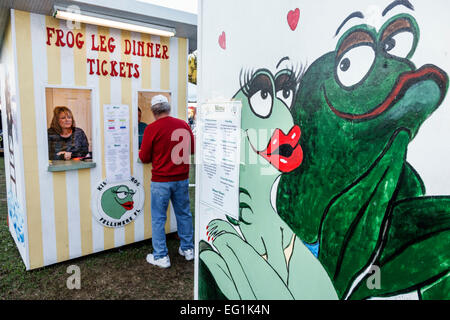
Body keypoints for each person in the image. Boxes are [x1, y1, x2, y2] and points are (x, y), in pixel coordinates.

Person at [139, 95, 195, 268]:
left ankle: (161, 256)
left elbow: (144, 157)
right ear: (168, 108)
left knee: (158, 218)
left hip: (161, 181)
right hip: (181, 178)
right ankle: (188, 249)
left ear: (153, 111)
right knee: (184, 213)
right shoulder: (184, 124)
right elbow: (191, 149)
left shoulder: (151, 128)